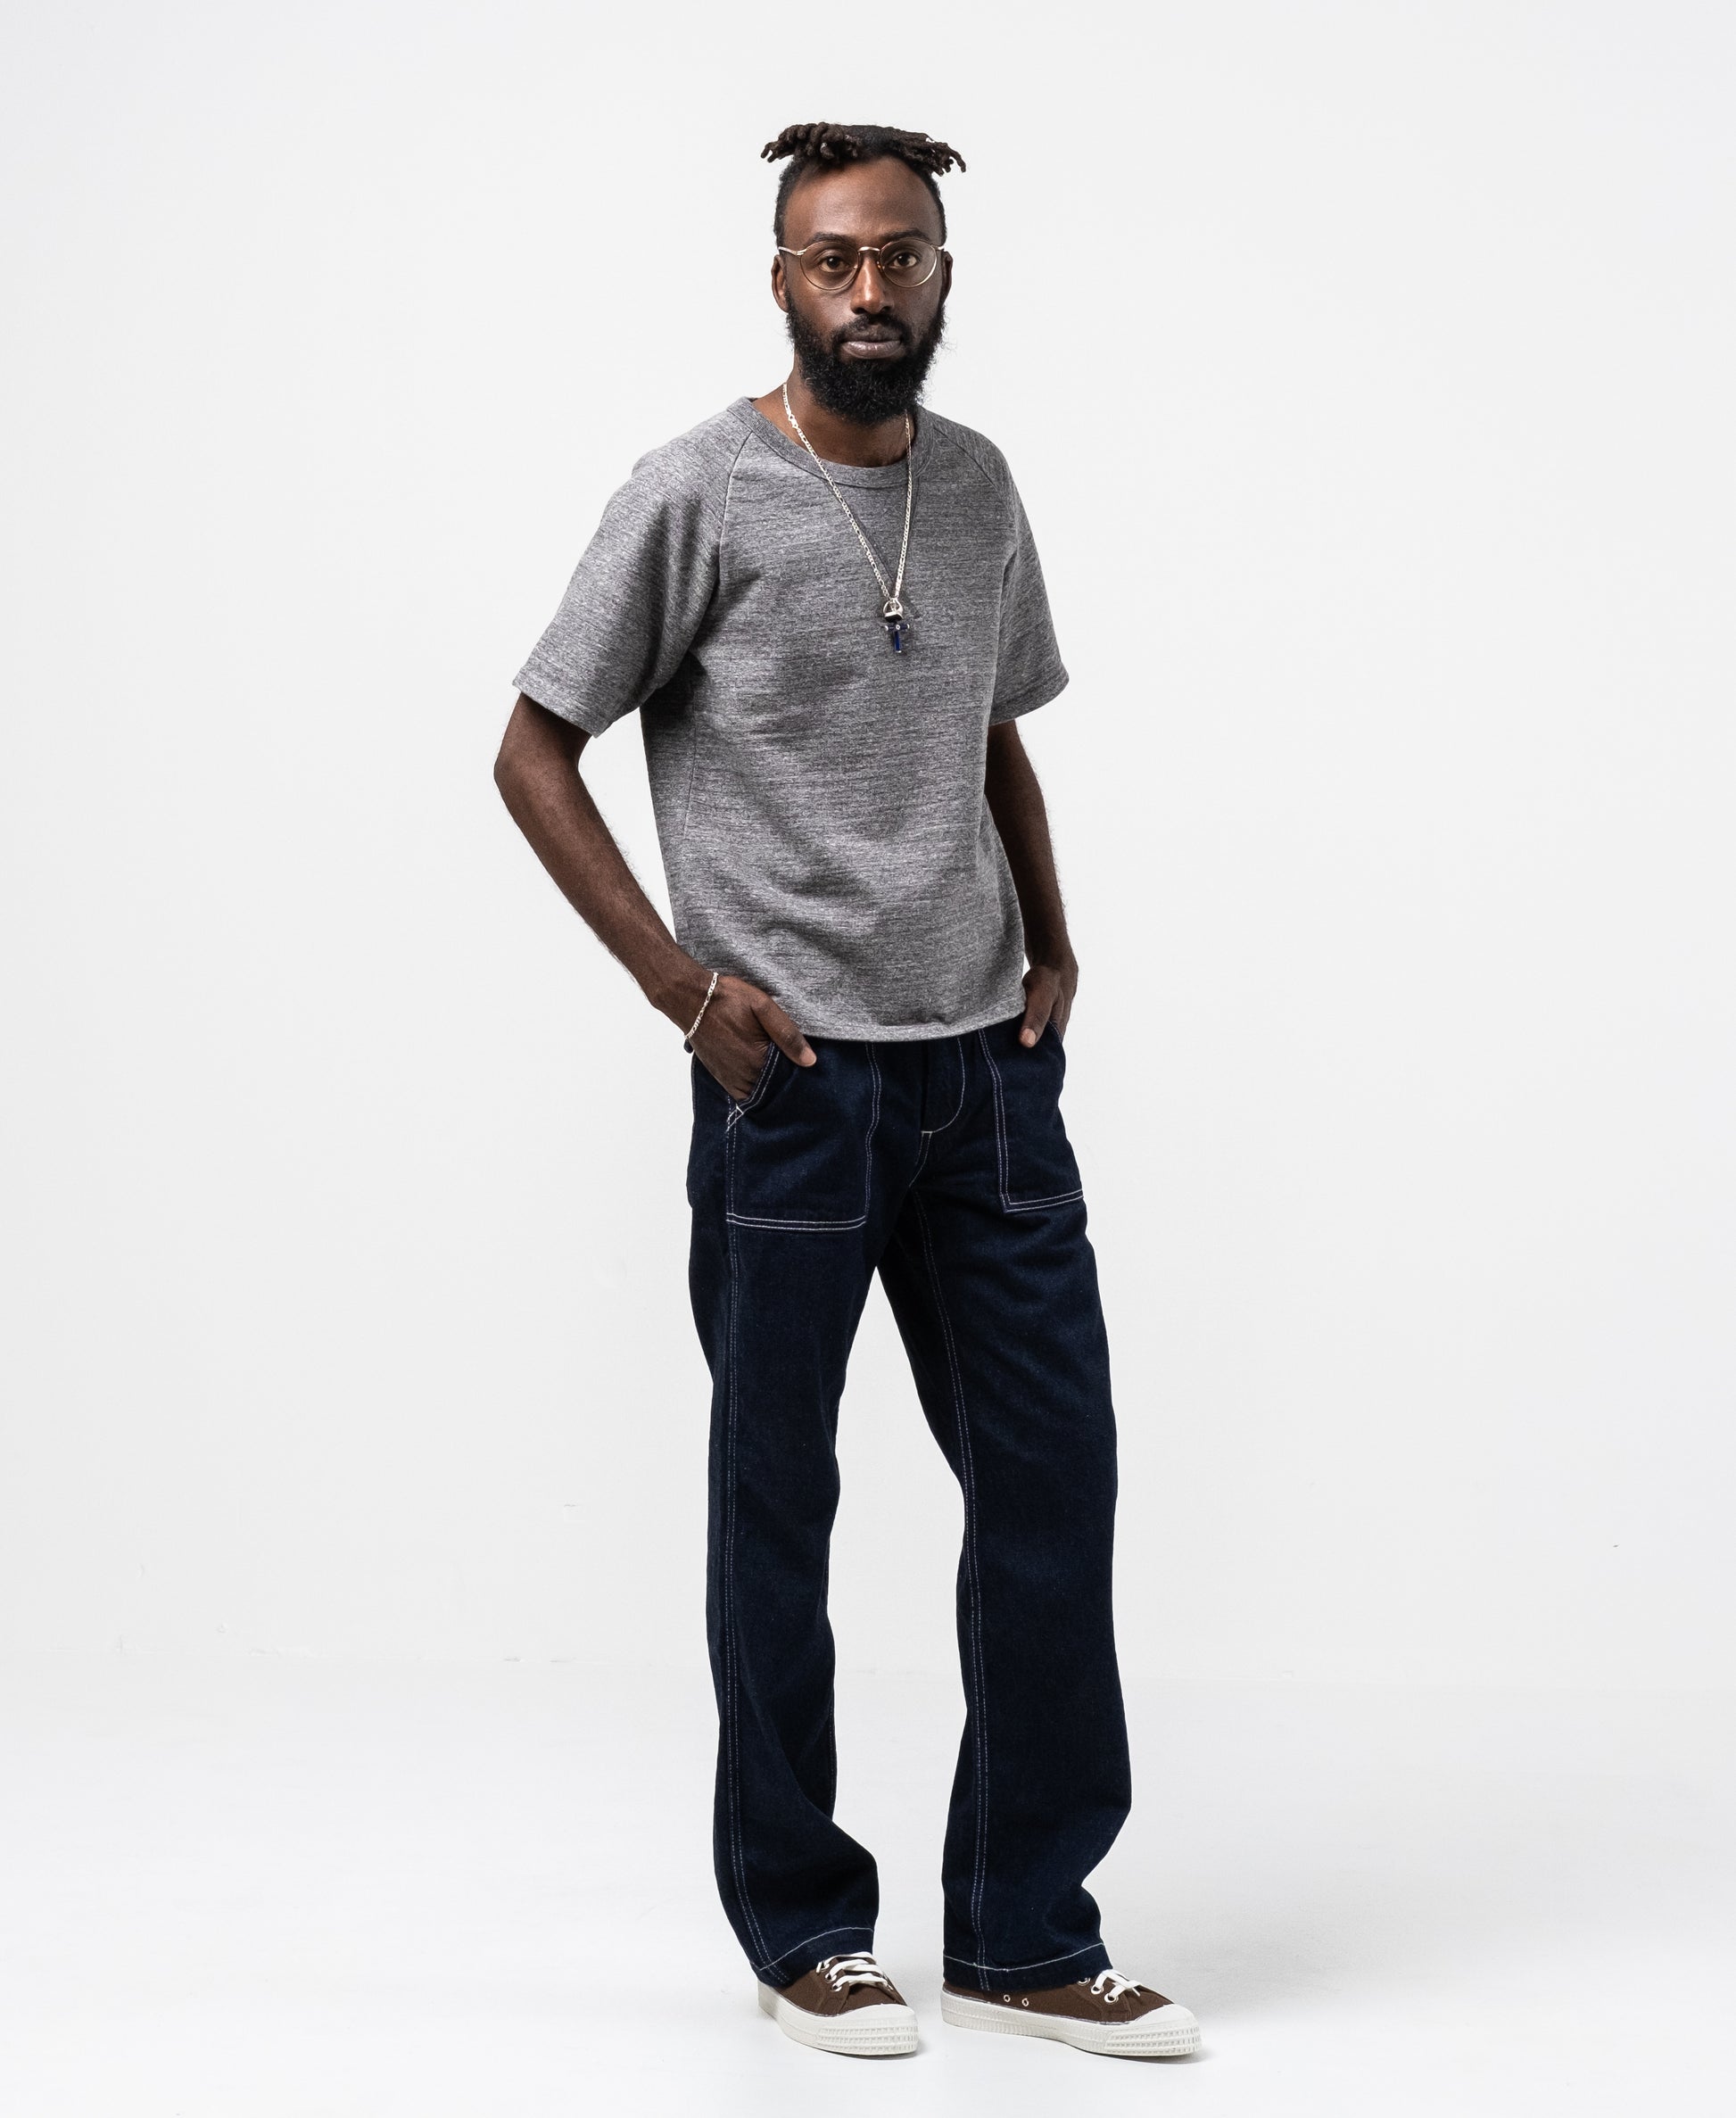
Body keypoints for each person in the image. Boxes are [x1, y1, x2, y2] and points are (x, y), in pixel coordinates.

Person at [494, 120, 1200, 2063]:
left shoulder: (976, 488)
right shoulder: (693, 491)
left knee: (1053, 1482)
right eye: (834, 258)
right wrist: (679, 990)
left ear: (944, 275)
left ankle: (1028, 1933)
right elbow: (534, 745)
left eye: (901, 256)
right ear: (781, 280)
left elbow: (991, 736)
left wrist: (1054, 944)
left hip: (988, 1082)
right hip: (791, 1087)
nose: (869, 289)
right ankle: (804, 1922)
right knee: (776, 1507)